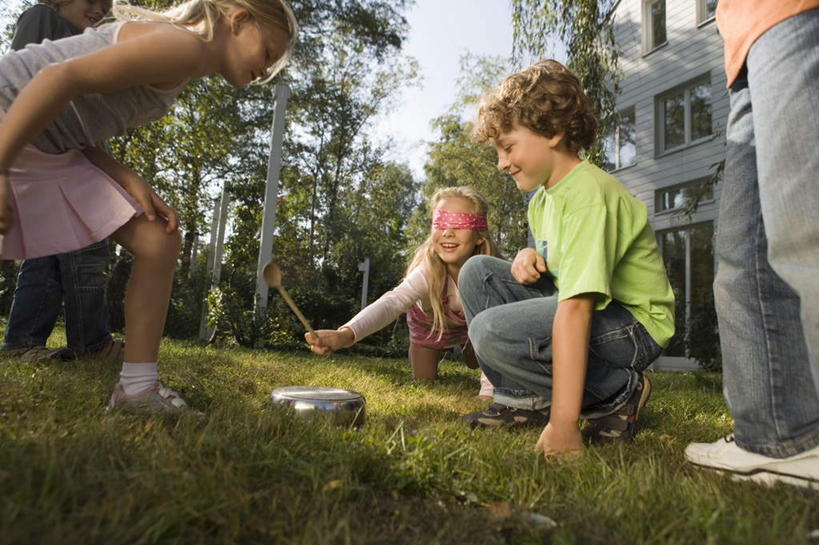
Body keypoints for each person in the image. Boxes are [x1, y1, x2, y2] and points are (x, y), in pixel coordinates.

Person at [0, 0, 298, 412]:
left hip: (52, 143)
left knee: (158, 240)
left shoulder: (185, 62)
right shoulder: (183, 48)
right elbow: (58, 77)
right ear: (239, 20)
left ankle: (137, 389)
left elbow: (77, 124)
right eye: (267, 53)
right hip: (10, 115)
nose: (265, 70)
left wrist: (126, 178)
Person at [459, 60, 675, 458]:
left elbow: (575, 309)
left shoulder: (589, 195)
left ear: (553, 133)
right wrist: (528, 256)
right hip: (584, 306)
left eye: (508, 147)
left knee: (490, 331)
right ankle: (520, 401)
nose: (501, 163)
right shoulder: (542, 199)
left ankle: (617, 392)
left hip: (633, 324)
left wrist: (564, 423)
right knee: (477, 272)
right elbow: (560, 268)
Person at [684, 1, 819, 488]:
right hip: (746, 43)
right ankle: (779, 438)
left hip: (796, 15)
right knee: (744, 260)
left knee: (808, 236)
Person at [2, 0, 123, 365]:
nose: (100, 9)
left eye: (107, 5)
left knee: (50, 250)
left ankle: (23, 342)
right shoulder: (43, 17)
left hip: (72, 152)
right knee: (86, 245)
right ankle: (92, 342)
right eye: (93, 0)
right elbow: (22, 84)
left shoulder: (85, 41)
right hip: (50, 153)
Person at [306, 186, 498, 398]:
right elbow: (393, 302)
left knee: (482, 348)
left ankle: (471, 349)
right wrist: (345, 335)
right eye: (440, 223)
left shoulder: (490, 275)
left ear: (480, 235)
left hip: (473, 327)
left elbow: (498, 331)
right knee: (424, 382)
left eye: (459, 224)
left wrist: (488, 393)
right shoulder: (429, 270)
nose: (448, 232)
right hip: (430, 328)